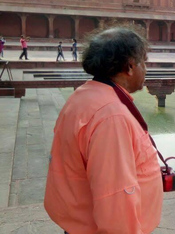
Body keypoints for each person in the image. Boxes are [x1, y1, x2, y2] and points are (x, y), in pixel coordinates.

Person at [44, 27, 164, 233]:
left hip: (77, 221)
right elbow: (115, 198)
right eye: (144, 62)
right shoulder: (111, 116)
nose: (146, 69)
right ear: (129, 67)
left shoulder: (84, 95)